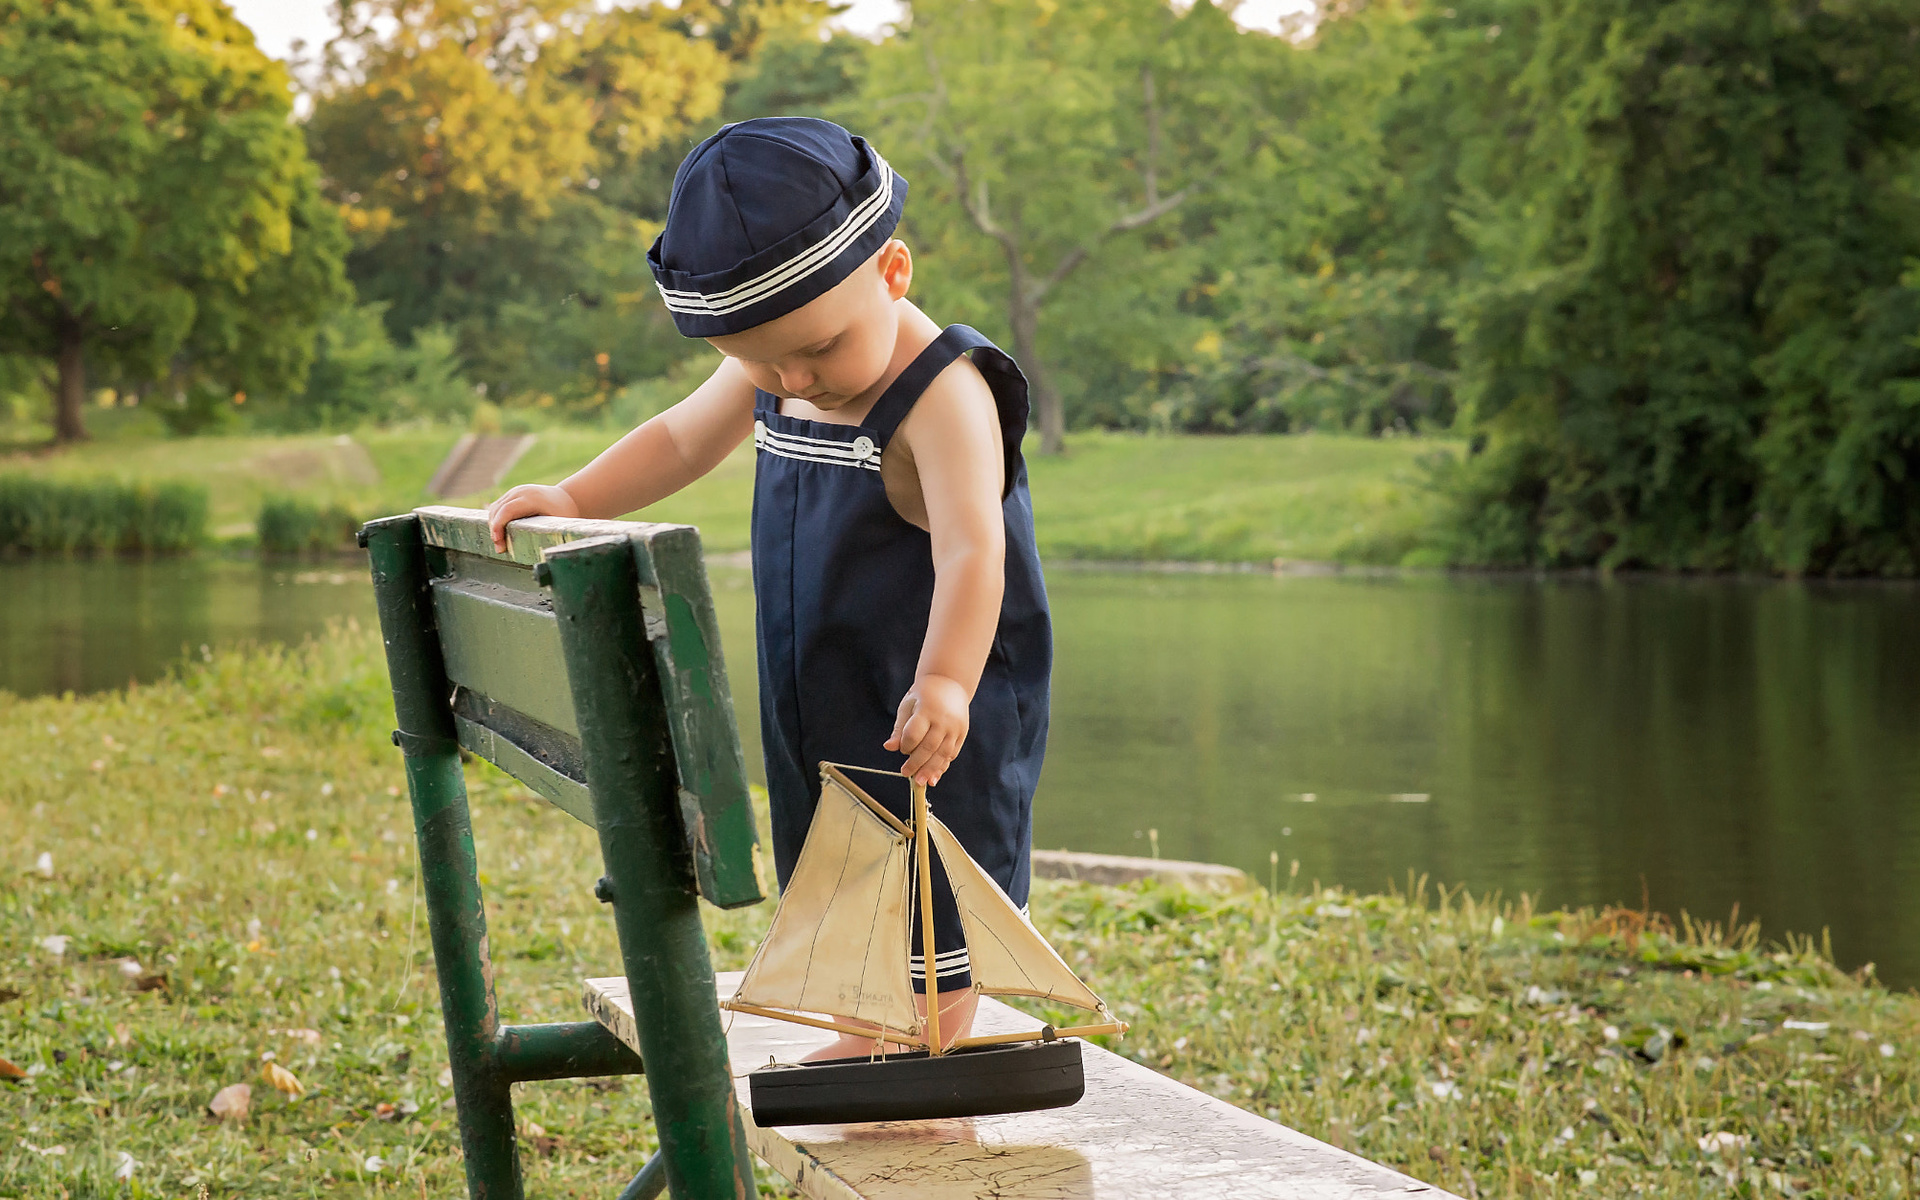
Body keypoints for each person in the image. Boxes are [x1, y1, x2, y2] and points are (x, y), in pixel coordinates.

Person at [485, 118, 1051, 1056]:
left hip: (934, 691)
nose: (794, 378)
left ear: (893, 272)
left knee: (936, 872)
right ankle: (867, 1030)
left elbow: (972, 549)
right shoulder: (784, 359)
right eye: (760, 360)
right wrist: (577, 494)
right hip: (824, 672)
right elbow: (678, 438)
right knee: (834, 848)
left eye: (819, 350)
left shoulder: (944, 392)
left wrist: (949, 679)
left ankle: (926, 1055)